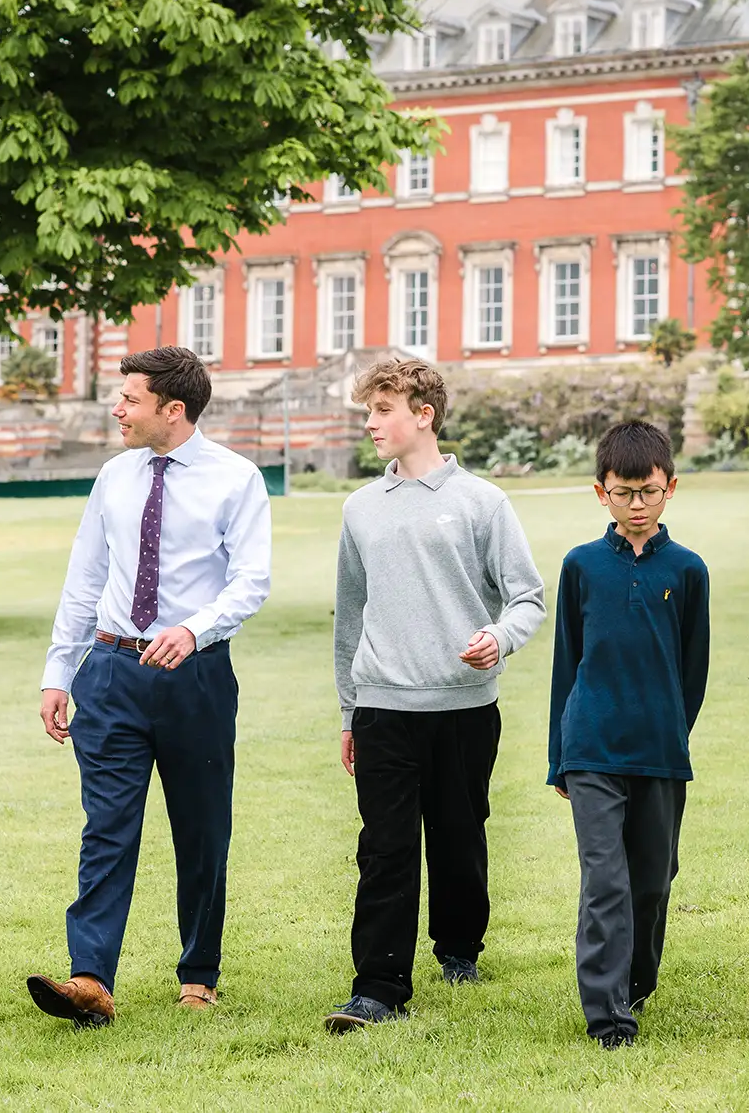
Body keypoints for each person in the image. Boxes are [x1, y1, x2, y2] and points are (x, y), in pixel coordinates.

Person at [29, 346, 272, 1029]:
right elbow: (84, 579)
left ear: (174, 409)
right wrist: (59, 671)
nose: (118, 409)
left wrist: (194, 629)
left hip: (195, 676)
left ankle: (199, 973)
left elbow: (251, 580)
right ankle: (90, 980)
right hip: (109, 672)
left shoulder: (237, 479)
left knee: (201, 829)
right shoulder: (113, 475)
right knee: (106, 828)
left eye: (130, 398)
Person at [324, 358, 546, 1033]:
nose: (371, 423)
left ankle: (459, 949)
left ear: (423, 414)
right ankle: (378, 989)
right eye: (368, 411)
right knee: (385, 849)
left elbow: (528, 599)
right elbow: (349, 615)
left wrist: (498, 640)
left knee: (458, 839)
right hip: (383, 708)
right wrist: (347, 713)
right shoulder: (360, 509)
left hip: (465, 712)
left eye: (383, 409)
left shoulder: (483, 503)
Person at [547, 420, 709, 1049]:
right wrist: (561, 756)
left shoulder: (688, 570)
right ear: (600, 493)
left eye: (648, 492)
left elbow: (691, 672)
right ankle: (608, 1013)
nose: (636, 505)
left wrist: (670, 728)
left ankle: (637, 981)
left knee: (651, 878)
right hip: (592, 747)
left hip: (661, 751)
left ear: (670, 488)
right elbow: (568, 661)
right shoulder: (581, 566)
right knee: (605, 880)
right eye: (623, 493)